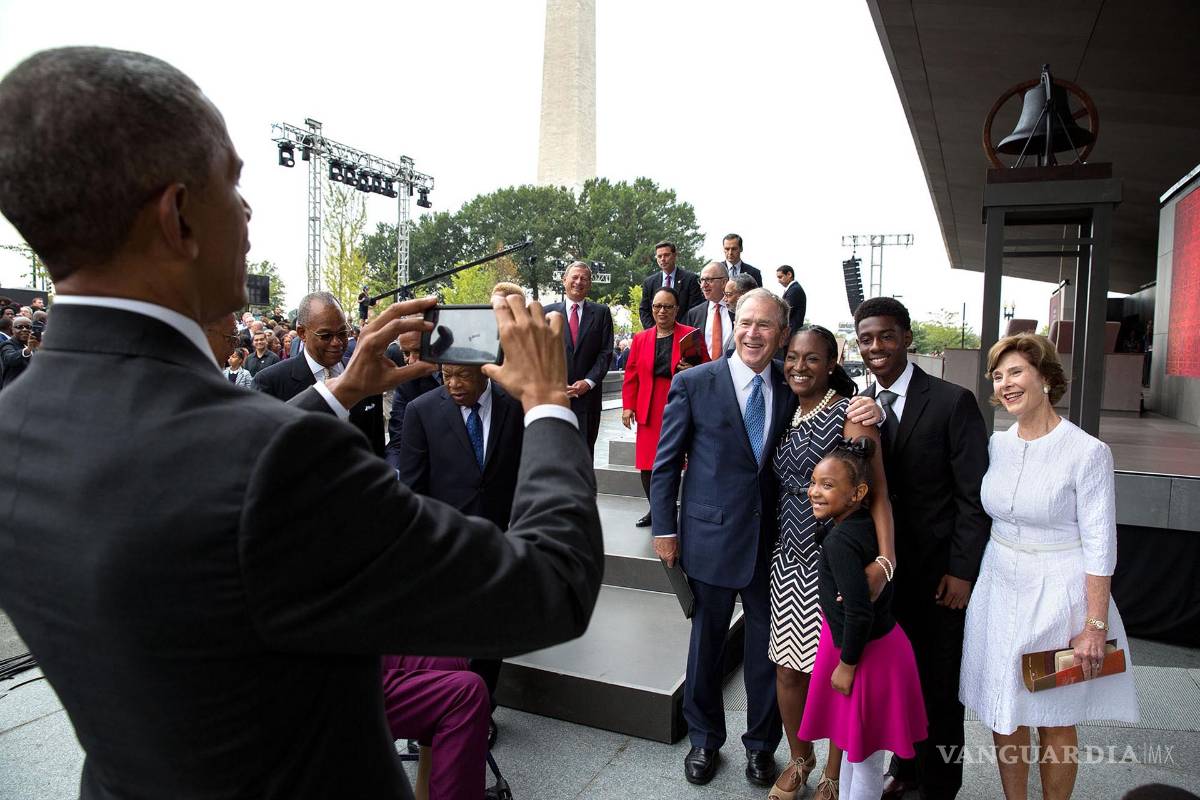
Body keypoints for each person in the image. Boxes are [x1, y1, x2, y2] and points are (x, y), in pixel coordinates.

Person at [0, 46, 603, 800]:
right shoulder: (279, 459)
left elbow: (197, 476)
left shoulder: (13, 426)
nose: (249, 212)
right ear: (177, 217)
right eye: (234, 182)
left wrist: (339, 391)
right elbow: (551, 587)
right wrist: (548, 401)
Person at [961, 333, 1139, 800]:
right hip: (998, 587)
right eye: (998, 377)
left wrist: (1094, 625)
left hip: (1060, 597)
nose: (1006, 384)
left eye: (1016, 372)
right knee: (1005, 708)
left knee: (1055, 715)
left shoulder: (1087, 452)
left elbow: (1102, 544)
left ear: (1045, 378)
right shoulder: (998, 444)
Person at [853, 297, 990, 800]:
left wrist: (961, 570)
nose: (876, 347)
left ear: (907, 338)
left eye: (886, 336)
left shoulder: (953, 401)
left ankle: (938, 785)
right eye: (866, 339)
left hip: (938, 578)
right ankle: (905, 767)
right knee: (894, 681)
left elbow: (972, 495)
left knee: (937, 686)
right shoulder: (860, 403)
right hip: (884, 575)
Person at [766, 326, 894, 800]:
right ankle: (801, 759)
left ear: (832, 363)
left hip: (835, 568)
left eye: (813, 359)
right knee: (787, 671)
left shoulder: (850, 413)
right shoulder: (784, 409)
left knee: (839, 674)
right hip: (787, 558)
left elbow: (878, 494)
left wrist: (886, 559)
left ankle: (833, 776)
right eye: (793, 357)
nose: (799, 366)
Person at [797, 439, 927, 800]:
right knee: (856, 748)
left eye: (827, 485)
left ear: (858, 493)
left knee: (866, 757)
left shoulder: (841, 542)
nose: (814, 492)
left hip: (868, 657)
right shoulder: (859, 526)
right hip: (879, 648)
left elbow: (858, 611)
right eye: (813, 482)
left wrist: (848, 664)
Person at [255, 291, 386, 456]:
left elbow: (377, 446)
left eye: (343, 333)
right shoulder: (271, 382)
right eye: (326, 336)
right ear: (302, 333)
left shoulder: (363, 373)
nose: (337, 342)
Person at [621, 287, 706, 528]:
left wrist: (693, 371)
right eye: (657, 306)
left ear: (677, 309)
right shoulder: (641, 338)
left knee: (676, 462)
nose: (662, 311)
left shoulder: (691, 335)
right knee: (647, 466)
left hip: (680, 405)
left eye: (668, 306)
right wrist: (628, 406)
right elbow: (632, 374)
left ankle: (677, 508)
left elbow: (709, 367)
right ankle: (657, 510)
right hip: (649, 406)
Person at [544, 261, 614, 456]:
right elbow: (540, 353)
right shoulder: (546, 312)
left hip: (588, 400)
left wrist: (588, 382)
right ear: (564, 280)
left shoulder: (601, 314)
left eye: (584, 278)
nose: (578, 281)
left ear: (590, 284)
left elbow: (606, 353)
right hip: (555, 397)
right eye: (574, 277)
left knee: (583, 456)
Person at [638, 241, 703, 329]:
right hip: (657, 335)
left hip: (682, 333)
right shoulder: (649, 282)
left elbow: (694, 309)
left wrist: (678, 330)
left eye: (666, 255)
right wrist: (656, 331)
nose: (662, 259)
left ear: (674, 256)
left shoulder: (690, 279)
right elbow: (644, 310)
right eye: (659, 256)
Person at [682, 261, 733, 360]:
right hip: (704, 372)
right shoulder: (694, 314)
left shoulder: (737, 310)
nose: (703, 286)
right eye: (701, 280)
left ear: (724, 282)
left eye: (708, 280)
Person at [0, 315, 35, 389]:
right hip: (13, 390)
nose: (25, 329)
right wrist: (28, 350)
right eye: (19, 327)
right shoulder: (7, 344)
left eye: (28, 327)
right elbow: (10, 359)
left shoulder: (33, 344)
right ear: (12, 330)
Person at [776, 265, 806, 334]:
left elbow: (785, 312)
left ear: (789, 274)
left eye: (780, 277)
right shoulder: (792, 289)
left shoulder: (794, 290)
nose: (778, 281)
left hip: (791, 333)